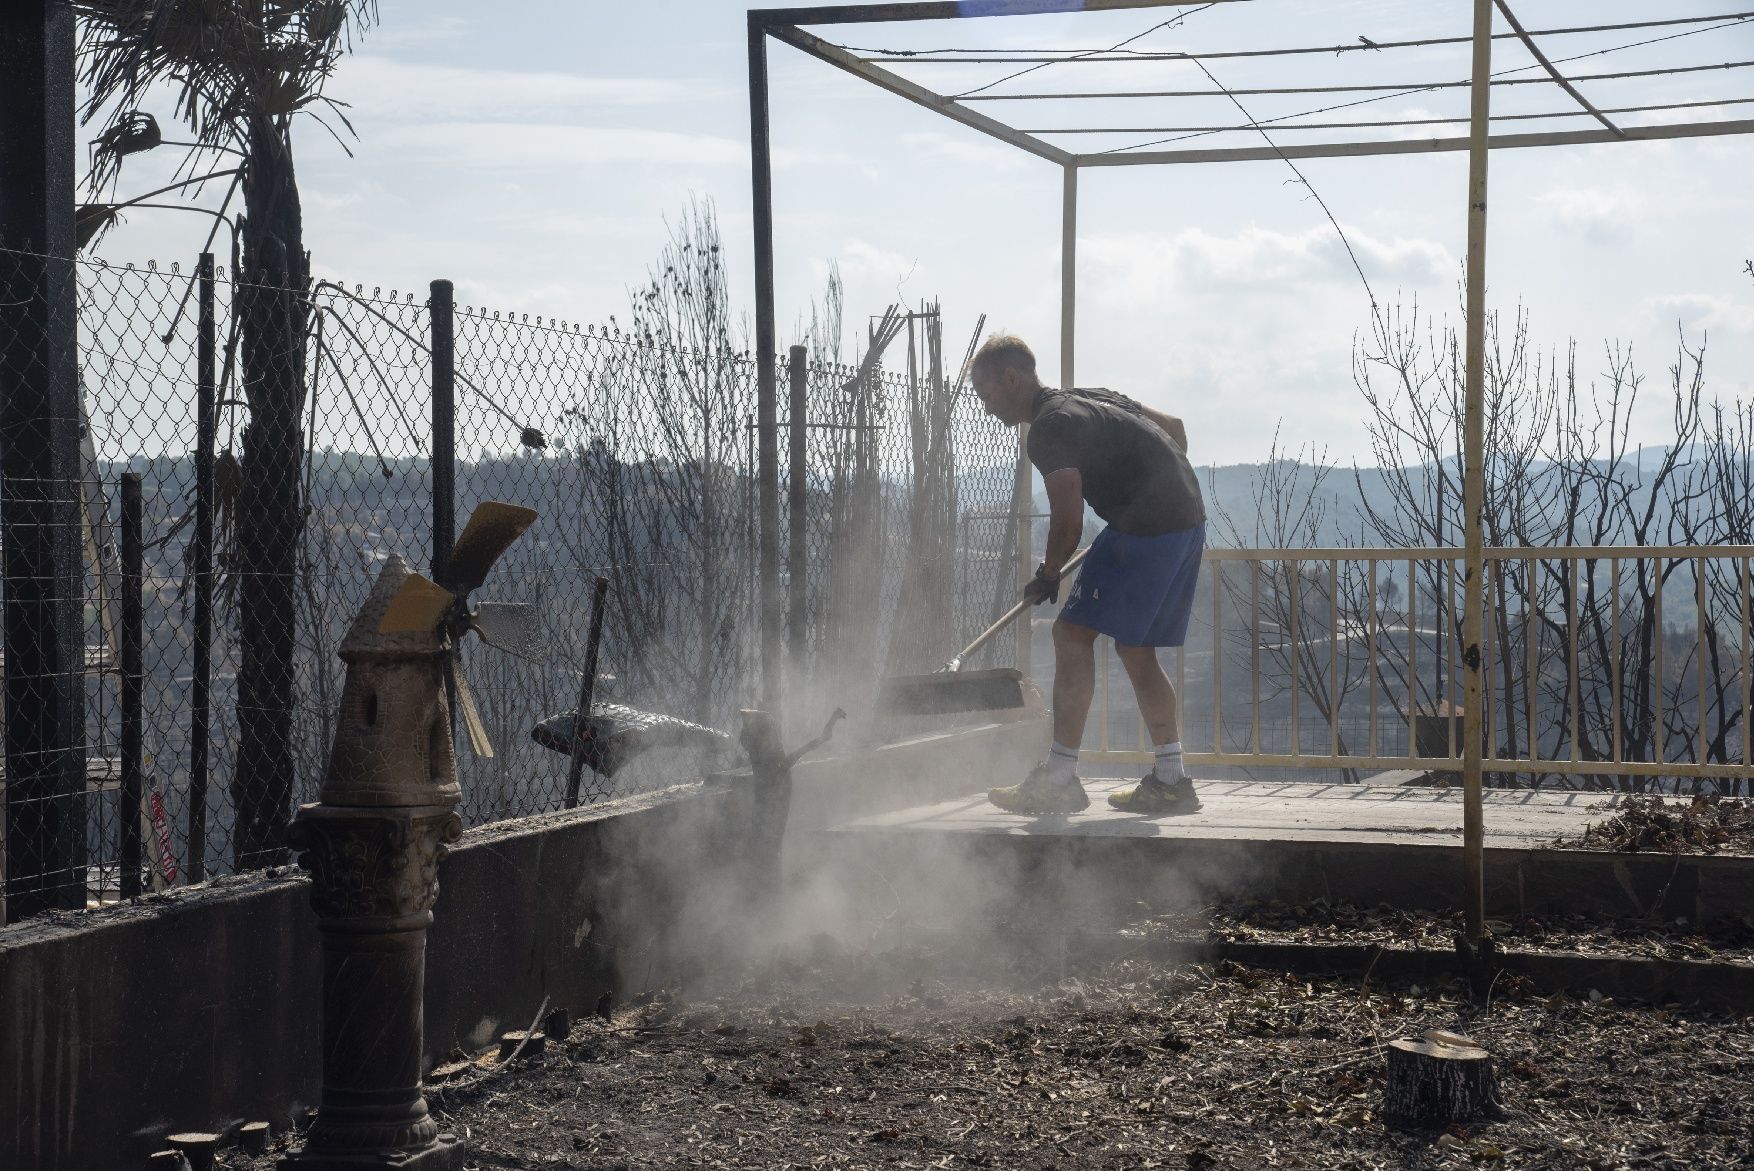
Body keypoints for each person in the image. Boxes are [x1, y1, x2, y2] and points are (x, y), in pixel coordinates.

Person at [971, 334, 1206, 816]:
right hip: (1183, 522)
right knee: (1135, 648)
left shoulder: (1049, 429)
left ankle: (1059, 778)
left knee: (1071, 635)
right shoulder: (1093, 399)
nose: (986, 408)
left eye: (987, 395)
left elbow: (1068, 522)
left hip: (1147, 527)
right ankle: (1171, 779)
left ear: (1012, 380)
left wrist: (1049, 571)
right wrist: (1143, 480)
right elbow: (1175, 431)